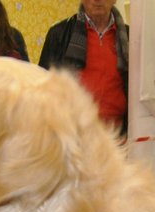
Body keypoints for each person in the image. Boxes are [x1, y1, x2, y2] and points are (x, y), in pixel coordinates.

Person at [38, 0, 127, 135]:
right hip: (72, 137)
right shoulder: (59, 35)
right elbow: (43, 92)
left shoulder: (130, 37)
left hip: (120, 138)